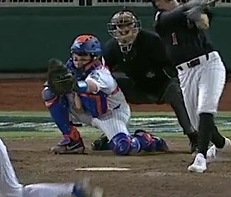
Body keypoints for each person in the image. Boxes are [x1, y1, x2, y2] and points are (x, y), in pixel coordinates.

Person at [148, 0, 231, 174]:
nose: (158, 3)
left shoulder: (189, 11)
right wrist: (188, 8)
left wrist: (198, 14)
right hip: (185, 73)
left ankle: (201, 157)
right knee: (196, 123)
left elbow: (204, 24)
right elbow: (172, 17)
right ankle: (220, 143)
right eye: (155, 0)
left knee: (205, 108)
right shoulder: (161, 19)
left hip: (209, 65)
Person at [42, 34, 170, 156]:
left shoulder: (101, 73)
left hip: (111, 114)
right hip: (85, 110)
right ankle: (72, 140)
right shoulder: (71, 67)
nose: (78, 61)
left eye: (83, 57)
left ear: (94, 57)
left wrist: (74, 85)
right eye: (76, 56)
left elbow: (89, 86)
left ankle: (147, 140)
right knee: (49, 92)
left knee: (123, 147)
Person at [97, 9, 200, 153]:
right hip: (137, 88)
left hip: (162, 86)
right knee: (108, 86)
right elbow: (103, 72)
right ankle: (114, 134)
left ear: (135, 26)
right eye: (120, 26)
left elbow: (171, 63)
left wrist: (169, 77)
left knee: (176, 92)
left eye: (128, 25)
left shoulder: (152, 41)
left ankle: (193, 136)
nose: (124, 29)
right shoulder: (112, 47)